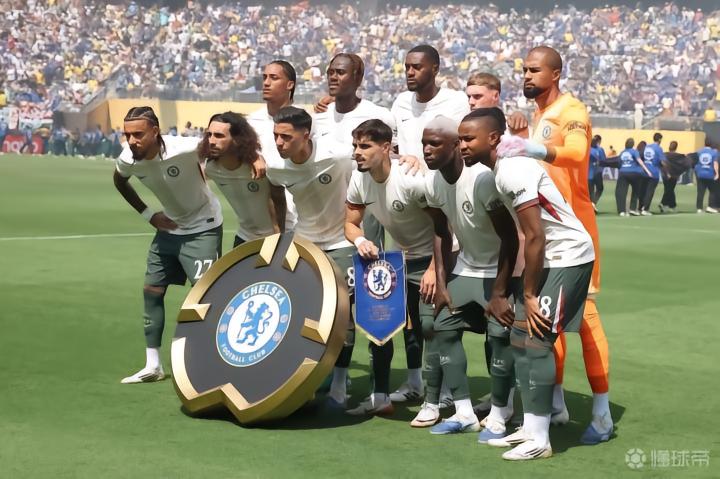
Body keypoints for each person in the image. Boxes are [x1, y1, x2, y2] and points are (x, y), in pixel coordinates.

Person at [495, 46, 613, 445]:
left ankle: (602, 414)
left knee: (586, 317)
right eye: (524, 70)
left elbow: (577, 153)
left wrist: (532, 147)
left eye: (534, 70)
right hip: (544, 231)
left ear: (556, 73)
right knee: (546, 317)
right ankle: (556, 404)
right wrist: (523, 136)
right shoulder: (539, 114)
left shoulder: (571, 110)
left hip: (576, 229)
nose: (526, 76)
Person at [488, 107, 595, 460]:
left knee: (536, 341)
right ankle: (531, 425)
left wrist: (530, 293)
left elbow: (535, 235)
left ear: (492, 139)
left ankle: (540, 439)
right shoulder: (499, 171)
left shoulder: (512, 170)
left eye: (468, 139)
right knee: (519, 339)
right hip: (550, 257)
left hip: (568, 254)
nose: (462, 146)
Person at [420, 116, 520, 437]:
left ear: (454, 146)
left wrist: (500, 292)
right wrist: (442, 282)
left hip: (498, 271)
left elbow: (510, 237)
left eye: (435, 143)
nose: (427, 150)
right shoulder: (432, 182)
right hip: (466, 268)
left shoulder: (481, 180)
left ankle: (502, 412)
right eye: (424, 143)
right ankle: (463, 412)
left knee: (500, 336)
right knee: (442, 326)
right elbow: (440, 231)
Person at [113, 106, 223, 384]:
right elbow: (119, 181)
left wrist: (256, 158)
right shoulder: (128, 158)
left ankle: (215, 363)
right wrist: (149, 215)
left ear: (155, 131)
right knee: (151, 291)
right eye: (127, 135)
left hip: (204, 227)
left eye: (138, 134)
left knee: (206, 297)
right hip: (169, 229)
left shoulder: (184, 148)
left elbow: (220, 145)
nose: (132, 141)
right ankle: (153, 366)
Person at [344, 119, 446, 417]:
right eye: (355, 145)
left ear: (386, 147)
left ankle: (436, 398)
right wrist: (361, 240)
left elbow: (444, 226)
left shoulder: (410, 178)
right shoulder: (359, 178)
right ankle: (382, 397)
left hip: (432, 258)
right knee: (380, 325)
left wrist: (433, 269)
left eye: (365, 146)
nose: (357, 152)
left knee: (429, 327)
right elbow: (350, 223)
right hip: (397, 260)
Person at [265, 106, 355, 407]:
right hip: (305, 243)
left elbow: (374, 163)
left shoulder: (337, 155)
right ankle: (303, 377)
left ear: (306, 135)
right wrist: (278, 233)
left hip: (342, 243)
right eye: (276, 136)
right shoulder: (275, 166)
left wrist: (405, 158)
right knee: (302, 313)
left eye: (286, 137)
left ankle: (340, 384)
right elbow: (274, 192)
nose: (279, 143)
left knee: (343, 315)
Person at [201, 112, 280, 246]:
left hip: (274, 238)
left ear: (237, 139)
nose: (211, 141)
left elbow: (278, 201)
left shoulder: (261, 166)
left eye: (219, 136)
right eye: (209, 135)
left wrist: (278, 238)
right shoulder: (211, 168)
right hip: (244, 237)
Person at [392, 45, 469, 165]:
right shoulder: (401, 102)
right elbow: (390, 148)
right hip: (407, 175)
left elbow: (461, 147)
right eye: (407, 67)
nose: (410, 73)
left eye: (417, 67)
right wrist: (403, 159)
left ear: (435, 69)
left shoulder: (456, 101)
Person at [247, 60, 299, 231]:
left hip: (299, 215)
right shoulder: (251, 122)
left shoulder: (305, 121)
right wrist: (253, 156)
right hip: (261, 217)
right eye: (264, 77)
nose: (266, 83)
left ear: (290, 85)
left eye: (274, 78)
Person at [616, 138, 651, 216]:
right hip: (635, 173)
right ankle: (632, 208)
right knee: (636, 190)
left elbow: (619, 163)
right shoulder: (634, 151)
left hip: (623, 173)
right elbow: (640, 161)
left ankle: (622, 211)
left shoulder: (622, 152)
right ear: (633, 145)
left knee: (621, 191)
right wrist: (647, 171)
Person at [639, 133, 666, 215]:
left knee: (643, 190)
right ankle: (645, 209)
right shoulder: (658, 148)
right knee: (650, 191)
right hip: (653, 172)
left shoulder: (647, 147)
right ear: (659, 139)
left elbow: (640, 156)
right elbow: (662, 161)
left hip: (644, 171)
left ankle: (640, 207)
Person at [659, 141, 688, 213]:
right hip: (673, 175)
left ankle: (672, 206)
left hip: (665, 175)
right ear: (676, 147)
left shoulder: (665, 155)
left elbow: (661, 163)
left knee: (669, 189)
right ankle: (663, 203)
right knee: (669, 190)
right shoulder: (679, 156)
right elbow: (685, 163)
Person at [694, 138, 719, 213]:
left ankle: (699, 208)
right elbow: (715, 163)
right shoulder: (714, 152)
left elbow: (696, 162)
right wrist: (717, 173)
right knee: (713, 191)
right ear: (711, 144)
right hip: (710, 174)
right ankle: (710, 206)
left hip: (700, 174)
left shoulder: (699, 151)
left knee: (700, 192)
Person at [588, 135, 606, 210]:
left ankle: (591, 205)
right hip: (597, 172)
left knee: (590, 191)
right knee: (600, 188)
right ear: (599, 141)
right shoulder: (600, 149)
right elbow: (604, 161)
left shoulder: (587, 149)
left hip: (588, 174)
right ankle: (593, 203)